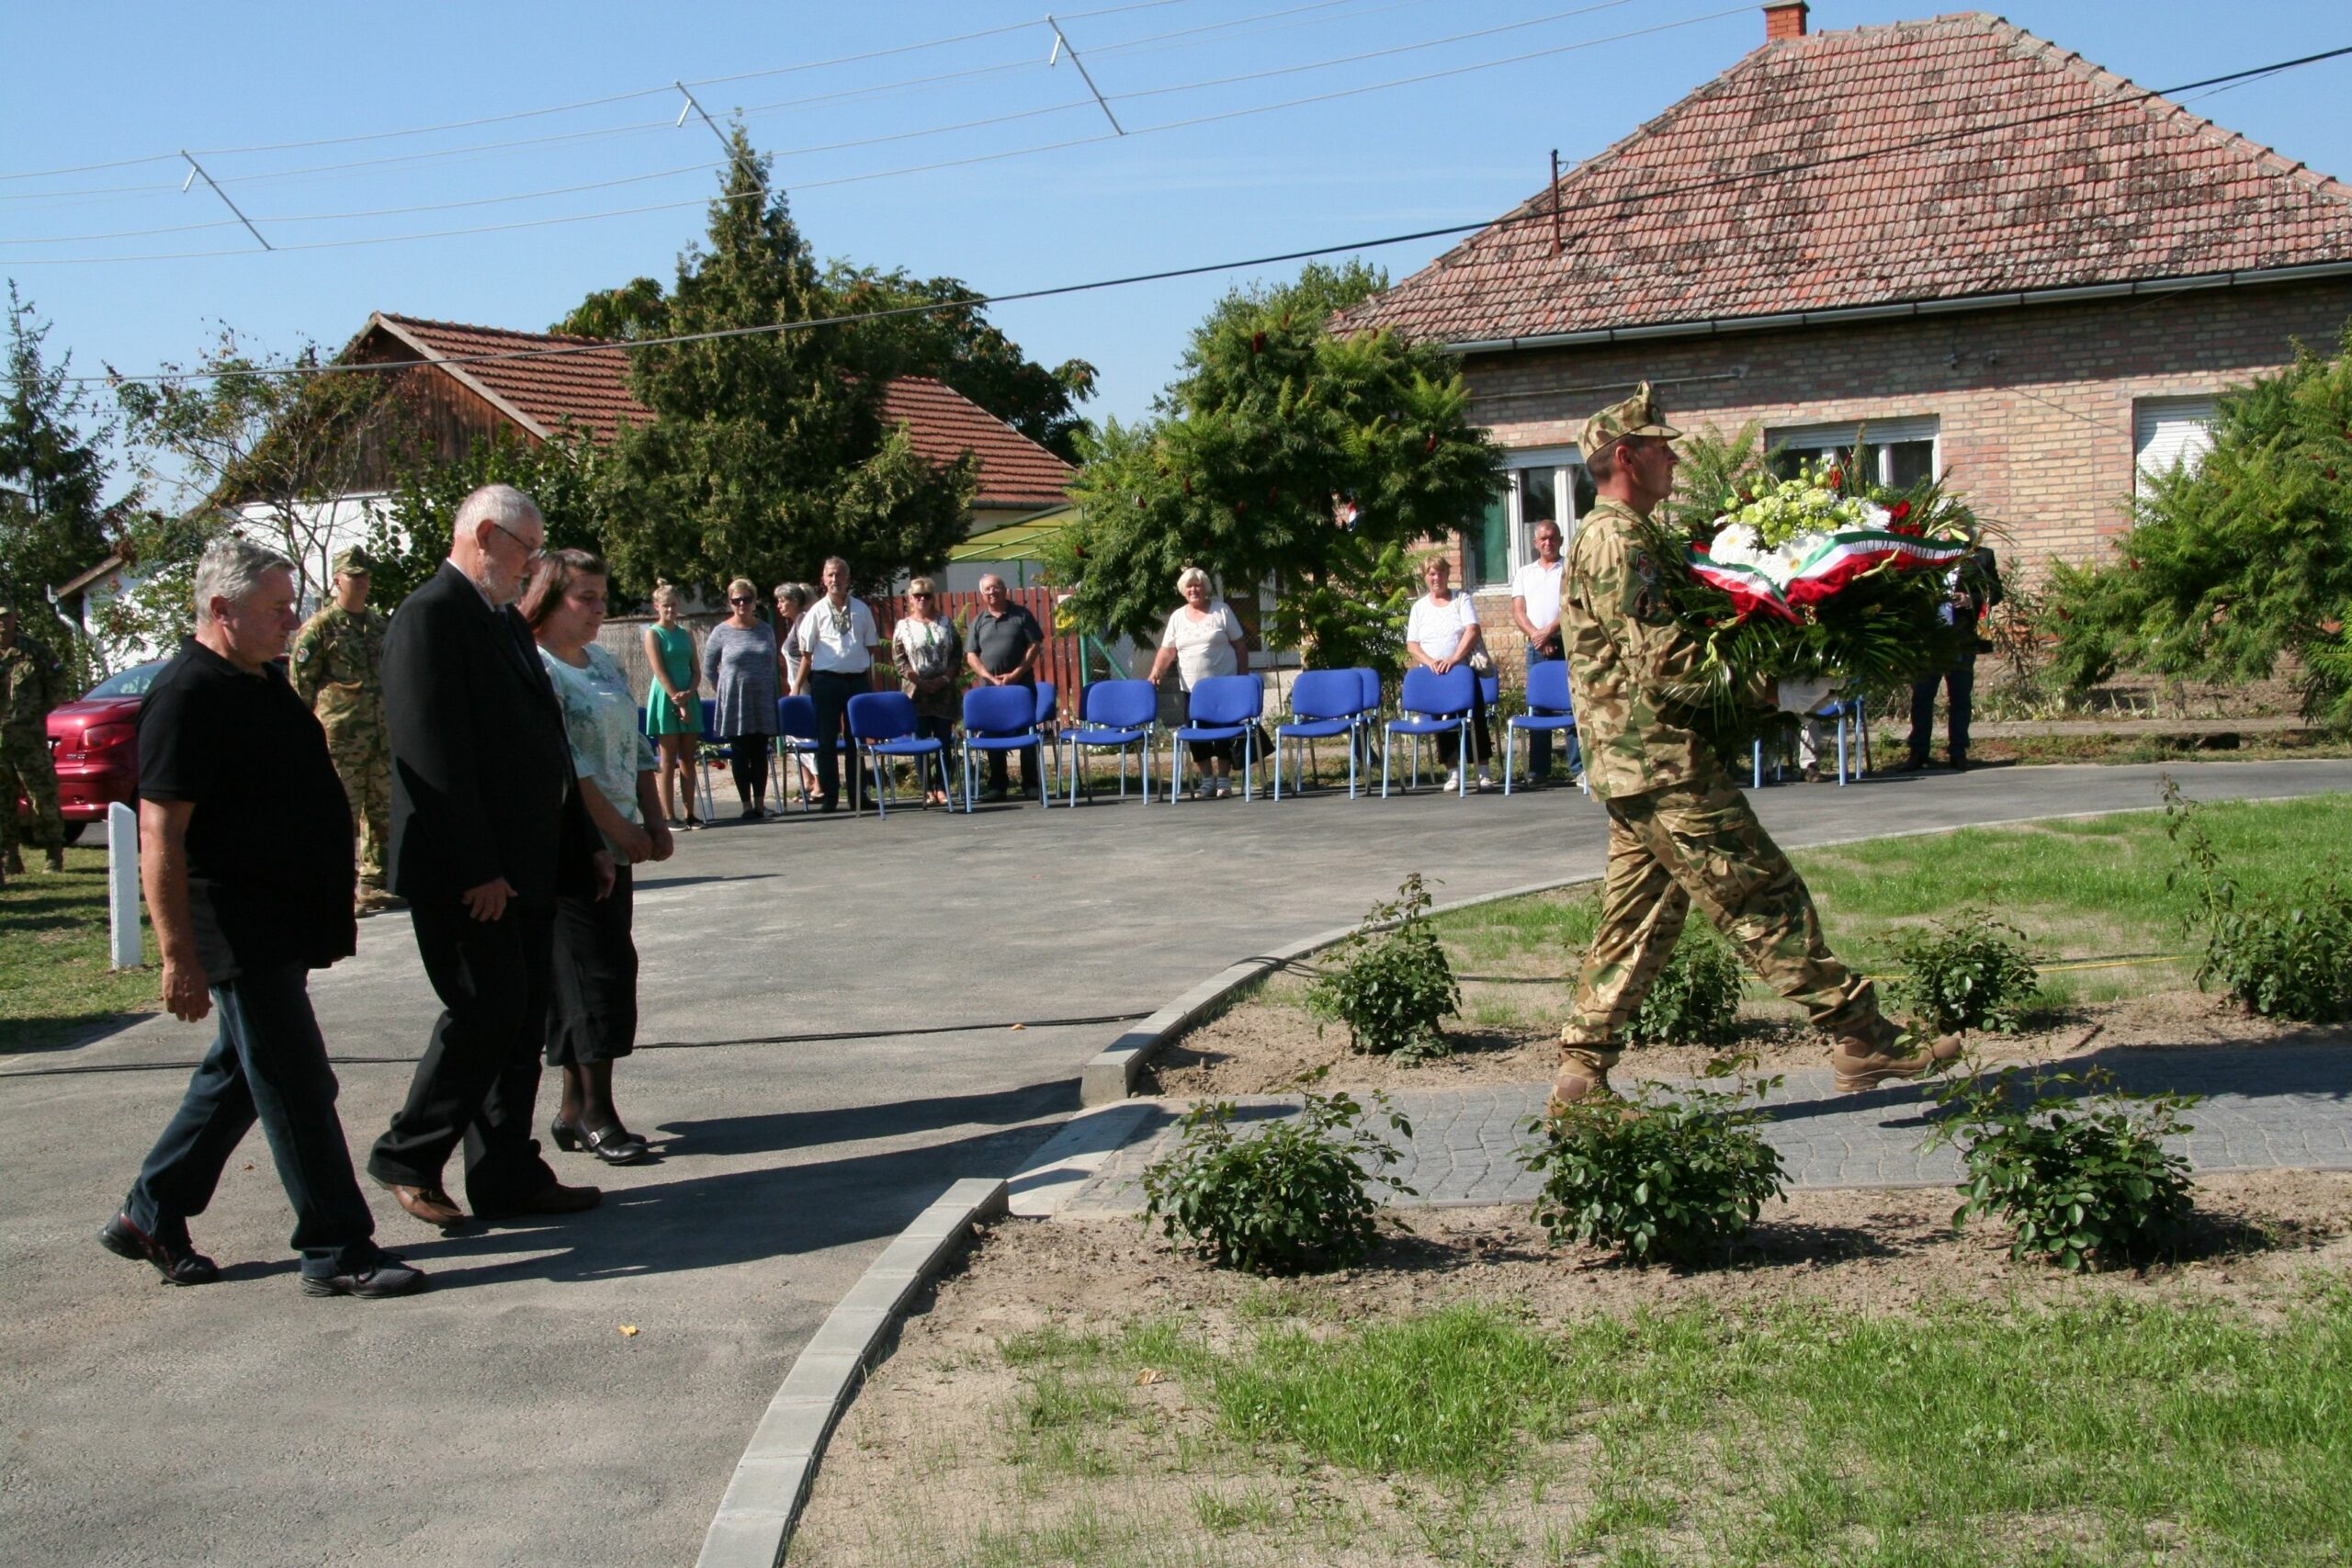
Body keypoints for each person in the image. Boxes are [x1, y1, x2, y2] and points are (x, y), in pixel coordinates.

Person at [1551, 384, 1962, 1111]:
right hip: (1660, 760)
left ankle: (1581, 1076)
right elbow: (1665, 661)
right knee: (1761, 895)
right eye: (1659, 444)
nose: (1672, 455)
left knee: (1637, 924)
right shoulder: (1616, 539)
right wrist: (1774, 690)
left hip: (1640, 762)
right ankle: (1862, 1034)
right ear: (1625, 456)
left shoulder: (1617, 535)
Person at [101, 536, 424, 1297]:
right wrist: (179, 955)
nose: (292, 621)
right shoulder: (185, 696)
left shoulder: (259, 678)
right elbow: (161, 837)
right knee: (296, 1083)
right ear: (222, 609)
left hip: (281, 919)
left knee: (243, 1074)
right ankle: (337, 1248)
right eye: (278, 609)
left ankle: (151, 1210)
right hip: (235, 926)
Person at [367, 483, 606, 1230]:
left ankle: (505, 1173)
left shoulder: (499, 619)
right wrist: (476, 866)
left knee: (521, 1020)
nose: (532, 565)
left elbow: (544, 745)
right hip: (468, 873)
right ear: (484, 536)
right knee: (485, 1009)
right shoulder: (429, 617)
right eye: (526, 550)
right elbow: (431, 756)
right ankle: (409, 1152)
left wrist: (582, 843)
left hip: (527, 864)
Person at [526, 549, 670, 1166]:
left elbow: (635, 745)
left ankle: (569, 1109)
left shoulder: (604, 662)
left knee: (595, 973)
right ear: (550, 596)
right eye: (585, 596)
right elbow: (568, 762)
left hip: (620, 842)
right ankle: (595, 1112)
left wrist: (653, 817)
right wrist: (610, 829)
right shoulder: (538, 667)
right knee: (595, 977)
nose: (597, 609)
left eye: (602, 597)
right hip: (571, 845)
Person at [289, 545, 402, 916]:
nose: (361, 582)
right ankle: (338, 889)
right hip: (341, 739)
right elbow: (300, 686)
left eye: (365, 575)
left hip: (381, 736)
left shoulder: (379, 626)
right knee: (341, 816)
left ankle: (375, 884)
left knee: (382, 812)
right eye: (353, 575)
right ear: (337, 579)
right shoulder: (320, 628)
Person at [1143, 567, 1249, 799]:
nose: (1194, 589)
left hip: (1224, 687)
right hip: (1192, 689)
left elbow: (1240, 644)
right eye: (1189, 586)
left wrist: (1243, 679)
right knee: (1196, 733)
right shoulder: (1178, 617)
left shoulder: (1222, 610)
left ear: (1205, 588)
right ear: (1183, 591)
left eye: (1198, 585)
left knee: (1223, 733)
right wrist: (1156, 671)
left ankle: (1223, 780)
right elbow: (1168, 650)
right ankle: (1207, 781)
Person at [790, 558, 884, 813]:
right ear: (823, 579)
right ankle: (830, 796)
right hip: (826, 680)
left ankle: (858, 795)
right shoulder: (816, 613)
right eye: (830, 575)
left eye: (839, 575)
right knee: (827, 739)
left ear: (848, 579)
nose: (835, 580)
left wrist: (869, 682)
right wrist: (799, 684)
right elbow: (807, 653)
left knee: (857, 739)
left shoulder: (861, 609)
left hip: (856, 681)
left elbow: (871, 647)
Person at [1900, 544, 2004, 773]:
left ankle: (1958, 751)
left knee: (1960, 697)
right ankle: (1918, 752)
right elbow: (1905, 589)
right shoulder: (1923, 552)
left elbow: (1995, 592)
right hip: (1930, 637)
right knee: (1923, 696)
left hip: (1961, 636)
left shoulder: (1980, 555)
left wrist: (1971, 599)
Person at [1406, 555, 1496, 792]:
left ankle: (1483, 772)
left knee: (1475, 720)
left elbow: (1472, 629)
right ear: (1425, 577)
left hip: (1462, 673)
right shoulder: (1419, 607)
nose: (1436, 578)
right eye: (1431, 574)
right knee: (1442, 725)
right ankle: (1452, 773)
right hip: (1434, 675)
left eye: (1440, 573)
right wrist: (1431, 661)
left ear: (1448, 574)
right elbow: (1412, 644)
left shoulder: (1461, 599)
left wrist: (1454, 658)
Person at [701, 579, 780, 820]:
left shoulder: (765, 629)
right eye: (737, 600)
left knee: (759, 751)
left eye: (747, 599)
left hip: (761, 699)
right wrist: (724, 686)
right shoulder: (721, 631)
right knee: (739, 751)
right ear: (730, 603)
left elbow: (772, 662)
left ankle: (760, 804)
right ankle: (746, 806)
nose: (742, 604)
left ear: (755, 601)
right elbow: (708, 667)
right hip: (735, 700)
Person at [0, 597, 67, 882]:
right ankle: (8, 857)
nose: (2, 623)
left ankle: (53, 854)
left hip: (28, 739)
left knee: (43, 797)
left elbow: (57, 687)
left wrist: (34, 716)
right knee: (2, 802)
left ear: (15, 617)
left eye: (6, 617)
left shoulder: (35, 653)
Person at [964, 572, 1044, 800]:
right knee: (993, 735)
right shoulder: (978, 621)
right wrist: (989, 678)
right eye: (987, 589)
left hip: (1021, 687)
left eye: (996, 587)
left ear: (1005, 589)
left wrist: (1017, 673)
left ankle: (1030, 784)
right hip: (991, 690)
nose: (992, 592)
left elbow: (1034, 646)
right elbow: (971, 656)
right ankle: (998, 785)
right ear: (982, 594)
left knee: (1027, 732)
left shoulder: (1021, 615)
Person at [1510, 519, 1574, 786]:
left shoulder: (1569, 569)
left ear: (1559, 540)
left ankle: (1578, 769)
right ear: (1535, 543)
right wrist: (1537, 637)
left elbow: (1572, 606)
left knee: (1572, 705)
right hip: (1535, 647)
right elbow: (1518, 611)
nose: (1548, 543)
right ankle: (1539, 771)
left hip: (1565, 643)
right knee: (1539, 708)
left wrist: (1548, 631)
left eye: (1552, 538)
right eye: (1542, 539)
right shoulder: (1525, 573)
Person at [892, 575, 962, 807]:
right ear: (910, 599)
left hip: (944, 692)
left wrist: (944, 678)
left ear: (933, 598)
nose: (921, 599)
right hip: (916, 693)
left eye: (926, 595)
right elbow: (899, 660)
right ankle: (926, 789)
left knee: (943, 740)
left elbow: (956, 655)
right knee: (920, 742)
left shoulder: (945, 623)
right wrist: (920, 681)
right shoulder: (903, 626)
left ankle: (942, 787)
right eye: (917, 595)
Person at [640, 582, 703, 830]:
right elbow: (659, 670)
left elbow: (696, 670)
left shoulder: (686, 634)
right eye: (665, 606)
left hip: (689, 693)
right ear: (657, 607)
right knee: (668, 760)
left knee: (688, 758)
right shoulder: (653, 633)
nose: (670, 610)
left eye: (674, 605)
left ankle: (691, 814)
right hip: (665, 696)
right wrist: (677, 698)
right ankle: (668, 815)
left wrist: (690, 692)